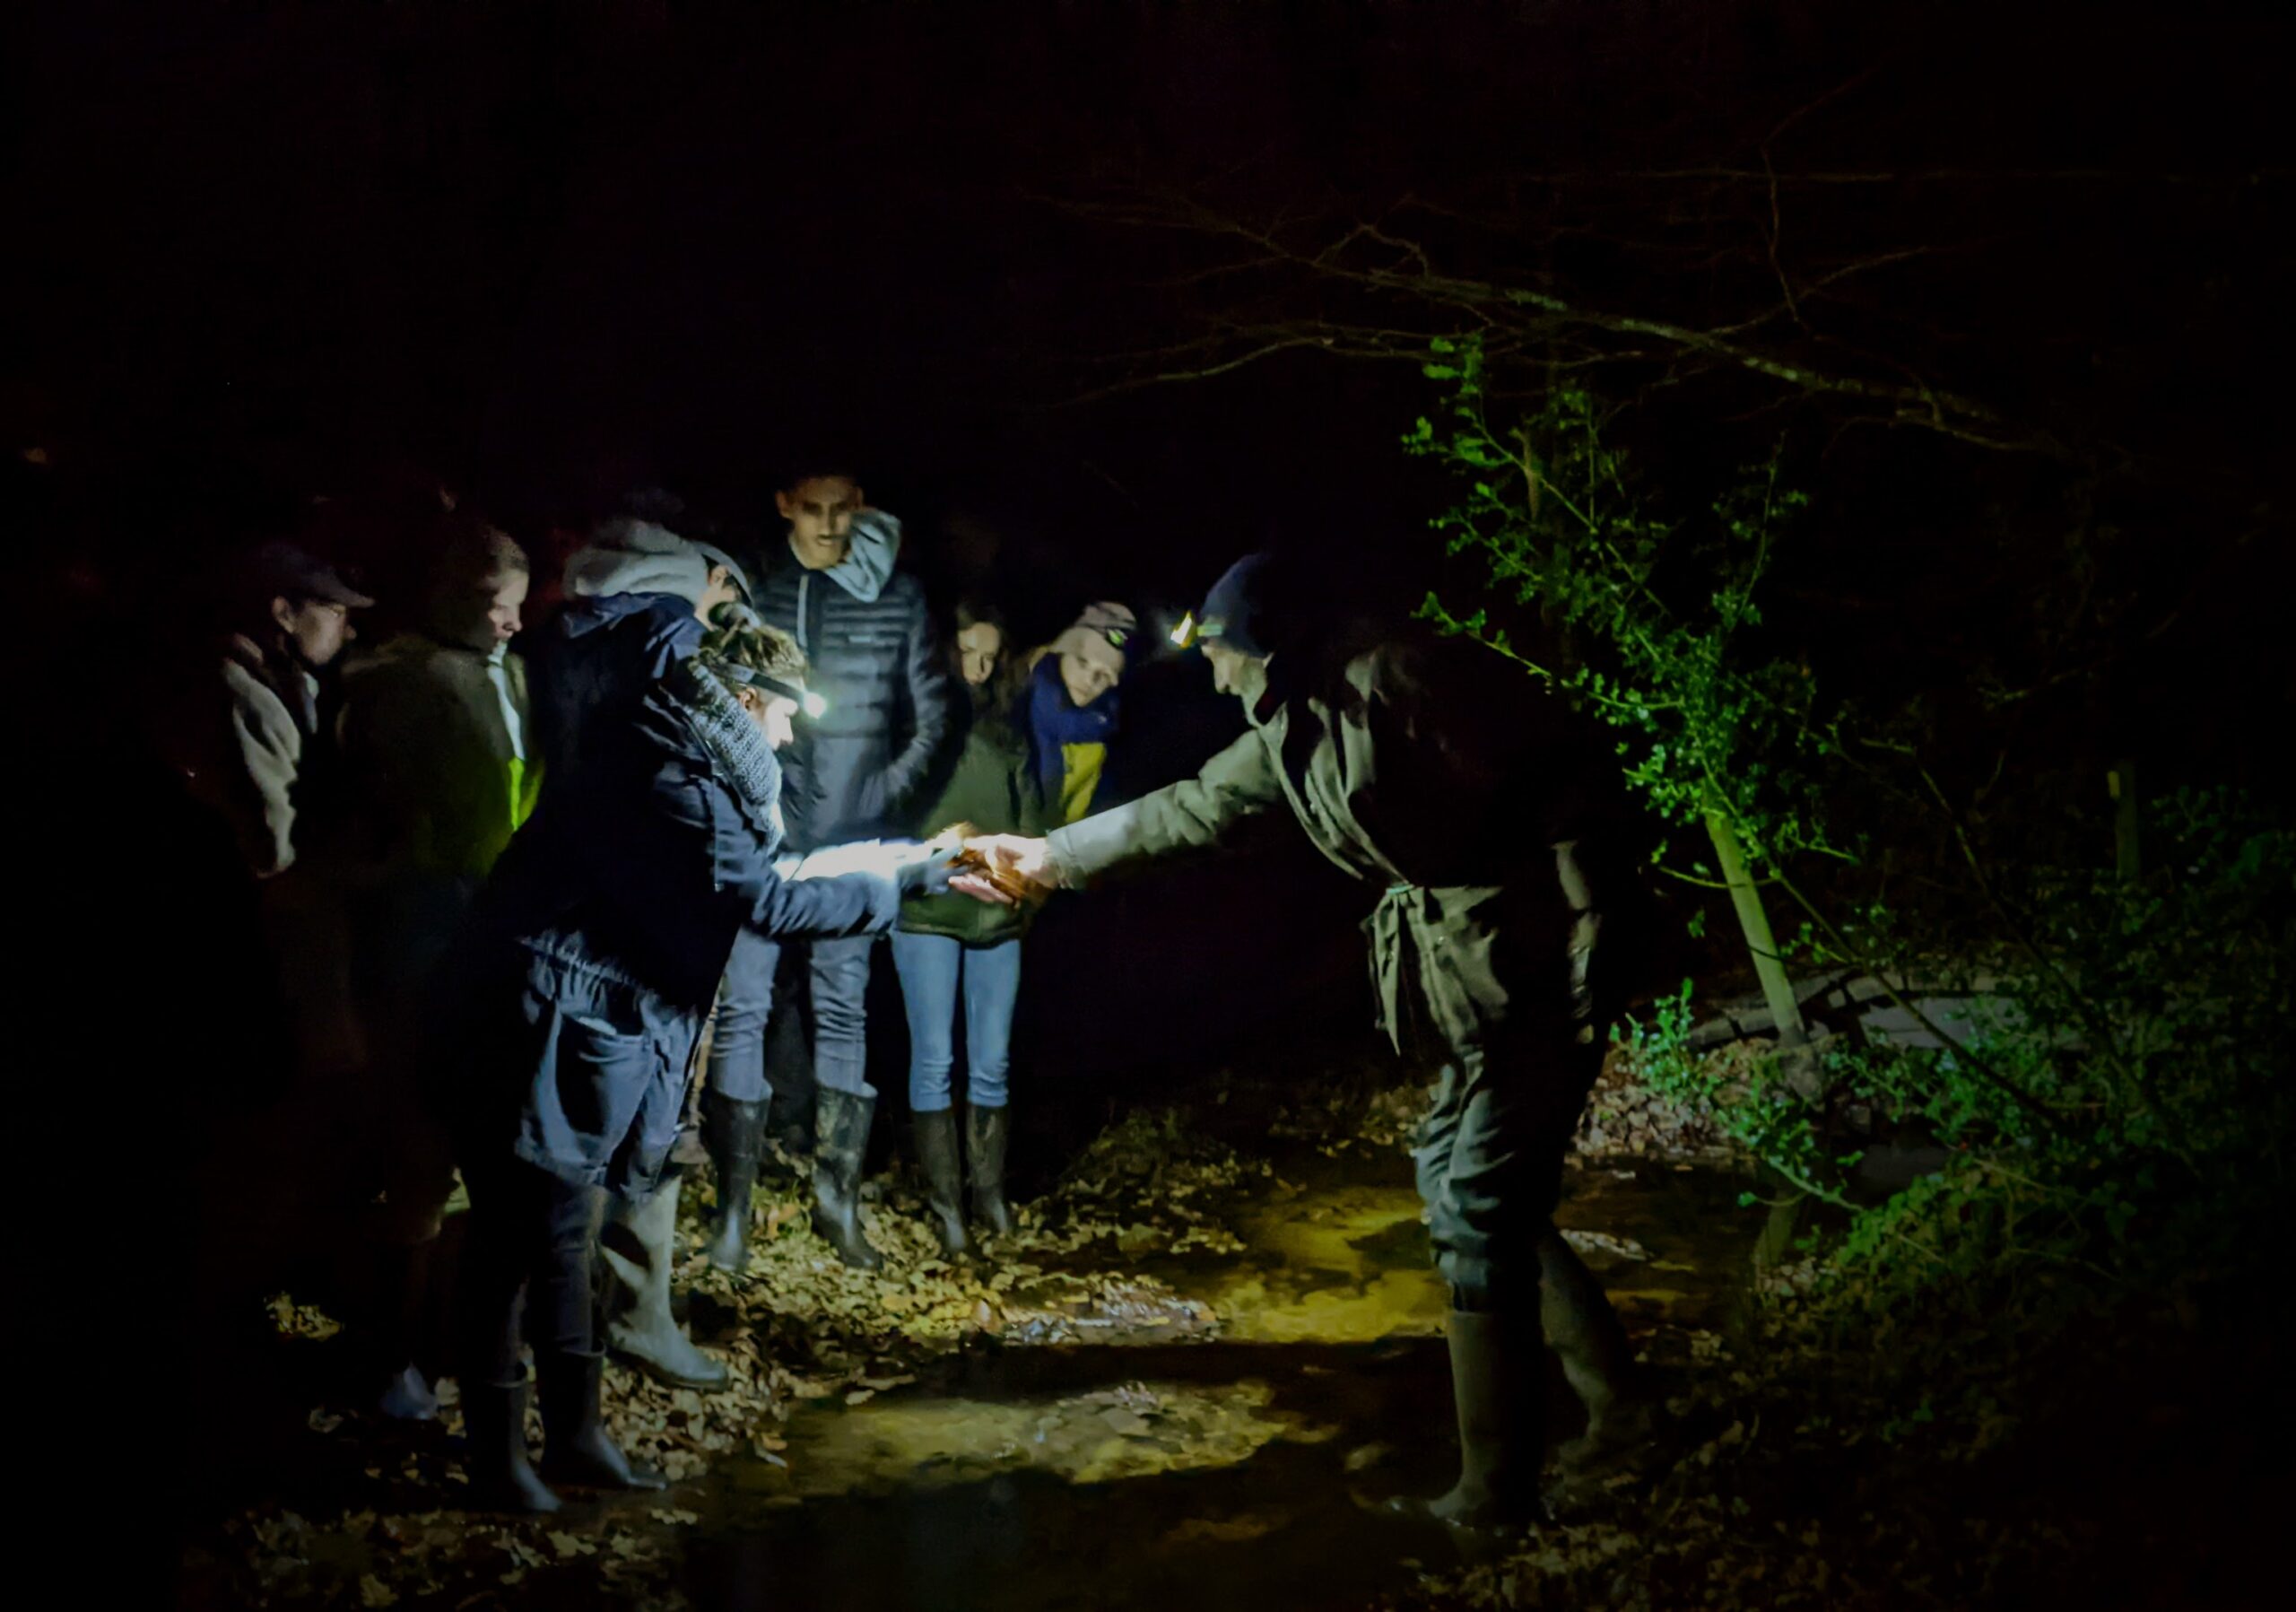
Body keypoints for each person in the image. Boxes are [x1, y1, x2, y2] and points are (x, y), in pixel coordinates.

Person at [967, 554, 1651, 1531]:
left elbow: (1560, 785)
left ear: (1266, 643)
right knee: (1465, 1187)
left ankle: (1496, 1494)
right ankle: (1620, 1414)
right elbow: (1194, 807)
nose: (1209, 673)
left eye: (1221, 651)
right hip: (1463, 972)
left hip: (1530, 954)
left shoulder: (1399, 679)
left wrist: (1594, 931)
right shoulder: (1289, 722)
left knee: (1479, 1201)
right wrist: (1047, 858)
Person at [444, 616, 970, 1514]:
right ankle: (500, 1460)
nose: (792, 731)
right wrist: (912, 880)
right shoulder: (668, 772)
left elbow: (765, 873)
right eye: (786, 711)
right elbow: (763, 897)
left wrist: (901, 859)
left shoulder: (693, 761)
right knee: (513, 1240)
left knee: (563, 1235)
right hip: (533, 1021)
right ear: (740, 699)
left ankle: (574, 1439)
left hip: (577, 1016)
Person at [708, 468, 954, 1272]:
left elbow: (935, 712)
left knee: (843, 1010)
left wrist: (885, 792)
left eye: (840, 510)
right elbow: (719, 696)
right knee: (743, 1009)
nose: (826, 525)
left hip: (853, 838)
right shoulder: (756, 589)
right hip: (763, 835)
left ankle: (835, 1203)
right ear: (782, 504)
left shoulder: (898, 595)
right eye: (811, 509)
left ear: (862, 508)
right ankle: (732, 1213)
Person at [526, 511, 750, 1391]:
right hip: (627, 927)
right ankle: (624, 1318)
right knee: (623, 1121)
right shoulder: (648, 661)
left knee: (597, 1125)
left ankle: (597, 1321)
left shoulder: (562, 653)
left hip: (586, 922)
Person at [336, 518, 538, 1419]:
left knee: (480, 1158)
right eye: (500, 606)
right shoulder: (398, 685)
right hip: (425, 941)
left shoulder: (509, 675)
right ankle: (387, 1356)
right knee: (416, 1159)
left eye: (518, 608)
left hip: (490, 938)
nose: (513, 624)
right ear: (455, 594)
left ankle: (454, 1346)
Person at [891, 600, 1045, 1257]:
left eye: (989, 658)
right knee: (933, 1061)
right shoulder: (914, 733)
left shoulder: (1009, 736)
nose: (978, 671)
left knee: (993, 1066)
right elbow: (889, 822)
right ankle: (947, 1206)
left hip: (997, 923)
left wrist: (1025, 896)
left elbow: (1035, 826)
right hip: (925, 916)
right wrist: (949, 853)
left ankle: (989, 1197)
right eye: (967, 655)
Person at [1023, 599, 1145, 826]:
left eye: (1105, 674)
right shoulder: (1015, 706)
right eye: (1082, 662)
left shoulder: (1107, 729)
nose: (1090, 681)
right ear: (1061, 652)